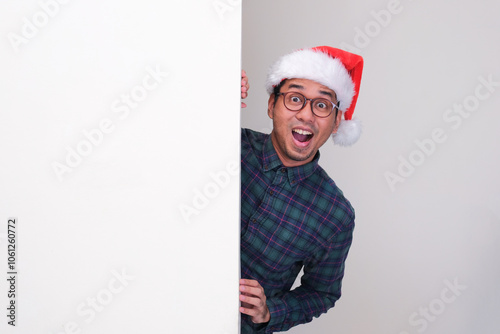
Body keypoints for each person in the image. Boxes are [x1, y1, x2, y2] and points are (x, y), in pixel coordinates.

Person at [238, 46, 364, 333]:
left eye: (322, 105)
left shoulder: (336, 215)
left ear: (335, 123)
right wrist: (208, 95)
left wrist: (270, 311)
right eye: (295, 98)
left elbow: (322, 293)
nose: (307, 115)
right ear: (272, 105)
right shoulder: (229, 145)